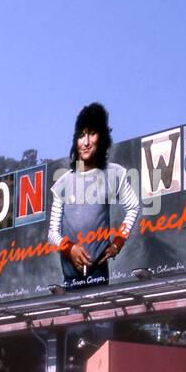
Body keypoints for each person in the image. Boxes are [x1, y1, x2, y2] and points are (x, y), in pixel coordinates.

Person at [47, 103, 140, 290]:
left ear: (102, 138)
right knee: (74, 317)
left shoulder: (114, 173)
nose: (86, 142)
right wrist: (69, 248)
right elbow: (52, 233)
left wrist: (118, 242)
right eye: (81, 136)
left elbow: (134, 207)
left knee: (101, 316)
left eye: (92, 134)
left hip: (98, 271)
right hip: (71, 274)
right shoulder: (63, 182)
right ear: (75, 141)